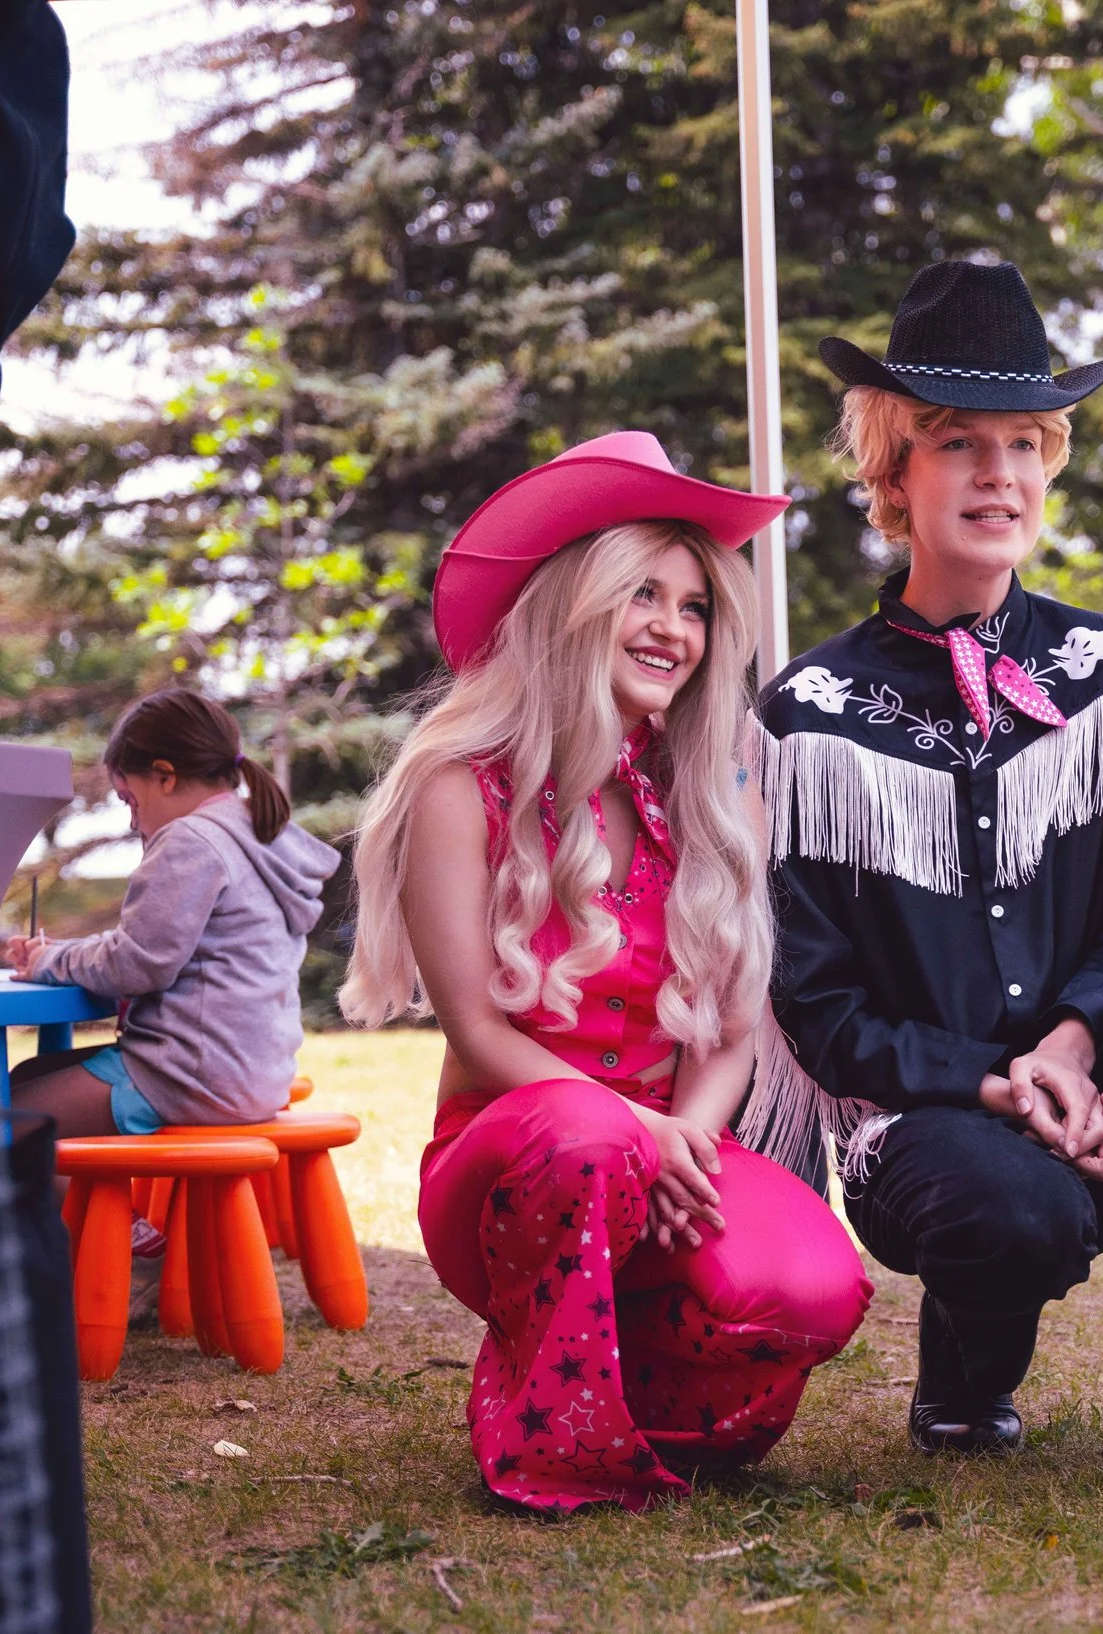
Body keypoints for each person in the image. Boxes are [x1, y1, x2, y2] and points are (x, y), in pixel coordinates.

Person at [749, 259, 1103, 1499]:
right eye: (958, 442)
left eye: (1025, 441)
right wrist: (997, 1082)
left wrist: (1068, 1045)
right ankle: (965, 1357)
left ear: (1051, 462)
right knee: (1012, 1219)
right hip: (931, 1134)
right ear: (895, 474)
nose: (998, 473)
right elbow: (821, 1010)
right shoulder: (809, 713)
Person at [342, 432, 873, 1514]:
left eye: (694, 606)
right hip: (522, 1153)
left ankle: (643, 1393)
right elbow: (481, 1037)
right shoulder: (463, 785)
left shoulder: (719, 791)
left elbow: (730, 1025)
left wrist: (686, 1134)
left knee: (816, 1285)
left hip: (672, 1152)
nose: (672, 629)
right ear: (575, 602)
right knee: (586, 1142)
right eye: (643, 592)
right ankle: (552, 1430)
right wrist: (633, 1133)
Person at [5, 688, 340, 1137]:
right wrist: (62, 953)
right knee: (29, 1077)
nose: (130, 822)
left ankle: (74, 1212)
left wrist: (51, 961)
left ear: (164, 776)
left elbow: (137, 965)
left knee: (11, 1112)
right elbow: (146, 947)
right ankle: (92, 1208)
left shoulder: (191, 841)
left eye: (129, 800)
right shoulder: (254, 835)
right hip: (251, 1072)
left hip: (191, 1077)